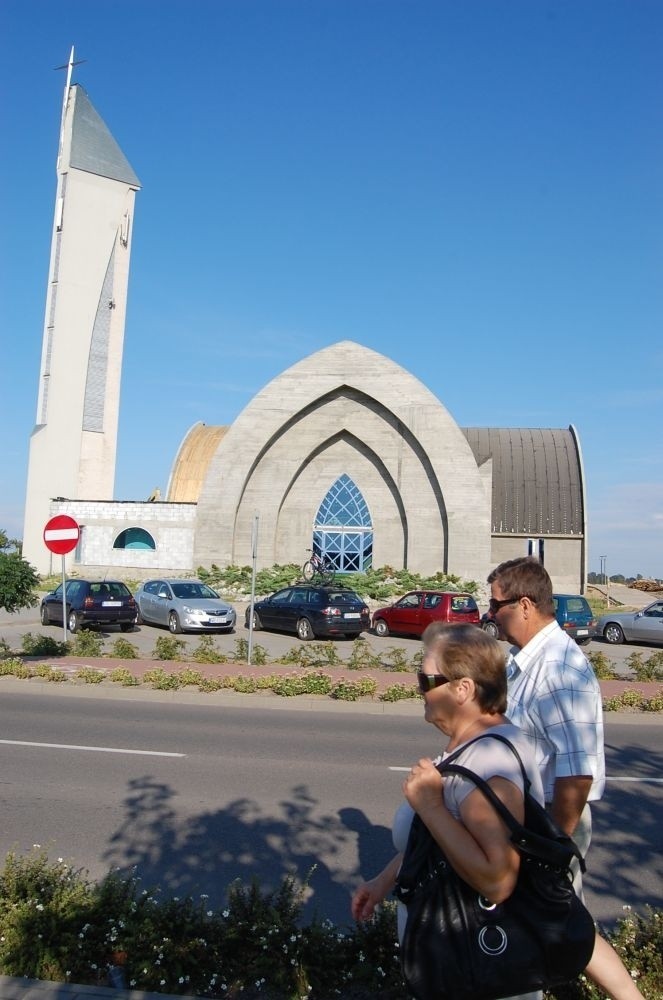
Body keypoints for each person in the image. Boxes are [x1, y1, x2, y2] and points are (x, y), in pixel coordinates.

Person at [351, 623, 552, 988]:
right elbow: (445, 842)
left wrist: (430, 806)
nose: (420, 691)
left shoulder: (490, 761)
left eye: (426, 681)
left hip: (479, 967)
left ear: (463, 689)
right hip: (459, 963)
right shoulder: (474, 745)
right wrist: (383, 882)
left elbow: (498, 879)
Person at [487, 556, 643, 1000]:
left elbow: (575, 774)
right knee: (556, 928)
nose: (489, 614)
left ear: (523, 605)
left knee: (547, 929)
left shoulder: (556, 669)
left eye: (495, 605)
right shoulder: (527, 660)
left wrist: (551, 847)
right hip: (535, 825)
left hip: (550, 825)